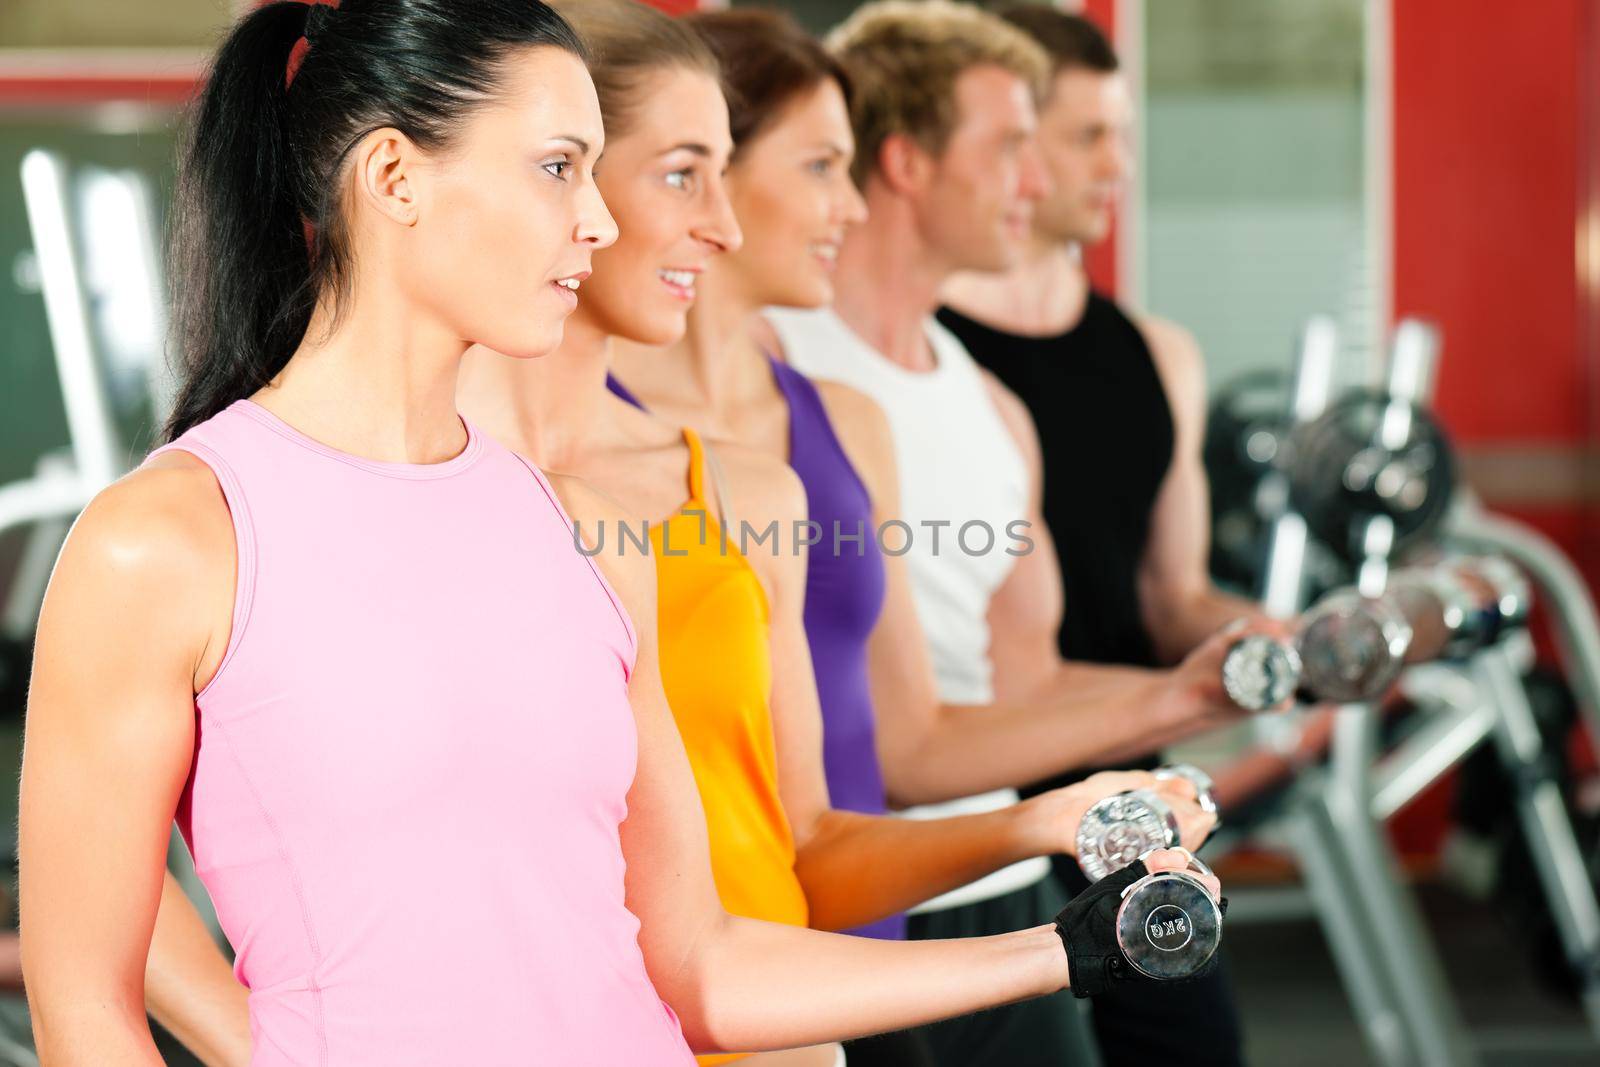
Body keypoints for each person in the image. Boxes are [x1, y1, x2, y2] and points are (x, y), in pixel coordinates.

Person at [112, 3, 1216, 1065]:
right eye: (565, 168)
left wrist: (1062, 916)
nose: (600, 220)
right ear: (396, 177)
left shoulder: (601, 535)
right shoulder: (191, 531)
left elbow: (717, 940)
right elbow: (100, 963)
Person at [763, 3, 1279, 1063]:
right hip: (857, 895)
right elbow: (899, 745)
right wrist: (1172, 697)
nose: (1036, 182)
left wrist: (1216, 678)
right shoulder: (780, 375)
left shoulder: (993, 406)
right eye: (1009, 147)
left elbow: (1024, 679)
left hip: (1002, 887)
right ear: (905, 162)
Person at [937, 10, 1276, 1062]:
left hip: (1132, 800)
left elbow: (1173, 596)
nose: (1116, 165)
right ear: (1012, 142)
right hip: (969, 802)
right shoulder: (925, 362)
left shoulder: (1157, 353)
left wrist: (1280, 639)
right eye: (1089, 135)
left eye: (1121, 134)